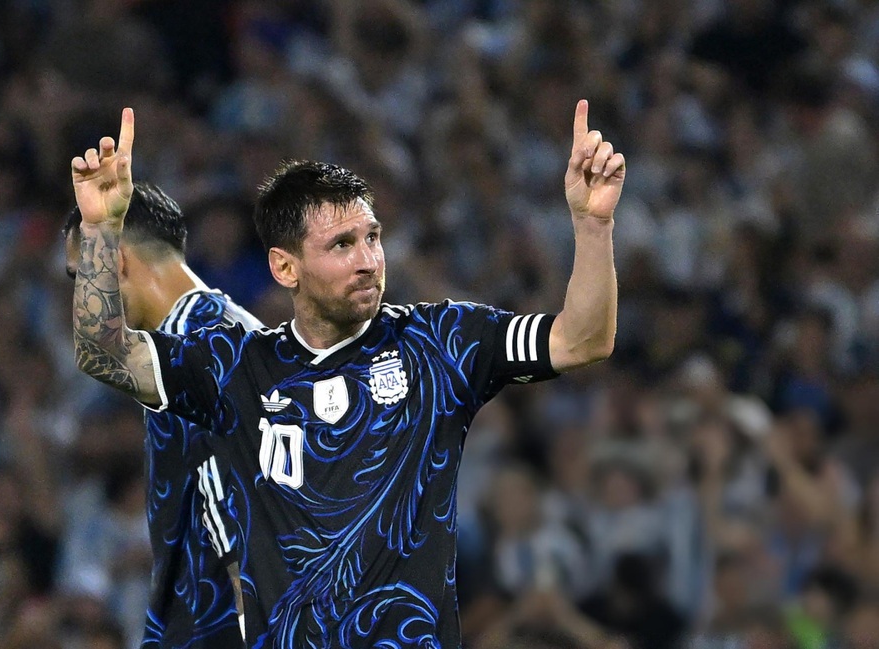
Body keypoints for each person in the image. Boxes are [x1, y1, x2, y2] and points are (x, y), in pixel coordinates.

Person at [70, 101, 623, 647]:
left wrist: (593, 225)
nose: (368, 261)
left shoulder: (440, 343)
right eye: (342, 245)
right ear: (285, 267)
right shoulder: (235, 368)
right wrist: (98, 230)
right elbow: (103, 353)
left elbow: (582, 340)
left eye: (372, 238)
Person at [64, 181, 262, 648]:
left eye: (81, 274)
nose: (80, 293)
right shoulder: (220, 330)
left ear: (114, 261)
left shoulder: (196, 342)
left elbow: (238, 497)